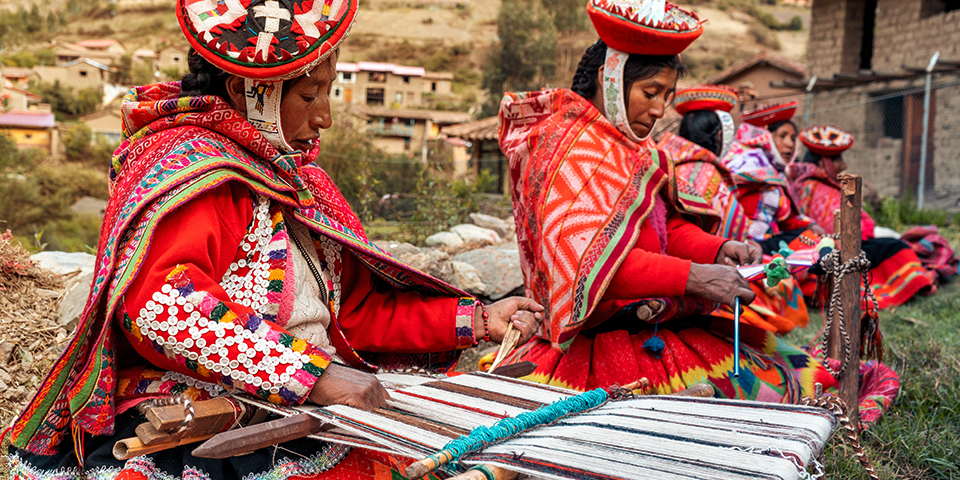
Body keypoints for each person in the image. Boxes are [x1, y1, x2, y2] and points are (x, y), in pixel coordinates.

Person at [7, 1, 544, 478]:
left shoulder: (293, 183)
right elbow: (160, 308)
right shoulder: (193, 172)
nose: (325, 116)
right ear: (250, 90)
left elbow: (352, 313)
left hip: (302, 411)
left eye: (328, 92)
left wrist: (477, 319)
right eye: (310, 94)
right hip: (213, 433)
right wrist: (314, 375)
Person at [496, 0, 837, 402]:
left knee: (803, 383)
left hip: (657, 324)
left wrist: (716, 249)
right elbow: (592, 266)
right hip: (594, 345)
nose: (659, 109)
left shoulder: (641, 152)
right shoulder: (565, 148)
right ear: (610, 79)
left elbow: (663, 228)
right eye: (650, 92)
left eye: (667, 95)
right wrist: (696, 277)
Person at [658, 85, 809, 334]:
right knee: (782, 282)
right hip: (705, 272)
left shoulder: (671, 165)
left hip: (683, 268)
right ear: (720, 137)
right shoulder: (709, 174)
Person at [788, 125, 935, 309]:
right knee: (894, 247)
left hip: (840, 245)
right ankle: (906, 284)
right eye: (838, 160)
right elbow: (841, 231)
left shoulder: (811, 185)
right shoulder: (813, 188)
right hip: (834, 249)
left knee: (891, 244)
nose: (844, 165)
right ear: (823, 163)